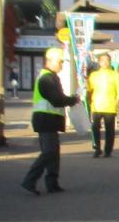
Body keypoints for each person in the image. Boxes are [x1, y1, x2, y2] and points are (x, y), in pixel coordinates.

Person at [21, 48, 80, 195]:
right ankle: (30, 181)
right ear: (51, 61)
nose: (61, 65)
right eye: (60, 62)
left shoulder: (50, 77)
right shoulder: (47, 78)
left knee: (53, 153)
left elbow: (57, 98)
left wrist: (70, 99)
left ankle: (52, 184)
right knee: (49, 153)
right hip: (46, 119)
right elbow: (56, 100)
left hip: (47, 120)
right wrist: (73, 99)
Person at [88, 54, 119, 158]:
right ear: (99, 62)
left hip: (110, 105)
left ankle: (108, 150)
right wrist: (89, 100)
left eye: (107, 60)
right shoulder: (94, 75)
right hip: (96, 105)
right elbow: (89, 89)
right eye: (102, 60)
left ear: (110, 62)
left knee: (110, 129)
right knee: (95, 127)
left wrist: (118, 100)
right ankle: (97, 148)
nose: (105, 62)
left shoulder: (115, 75)